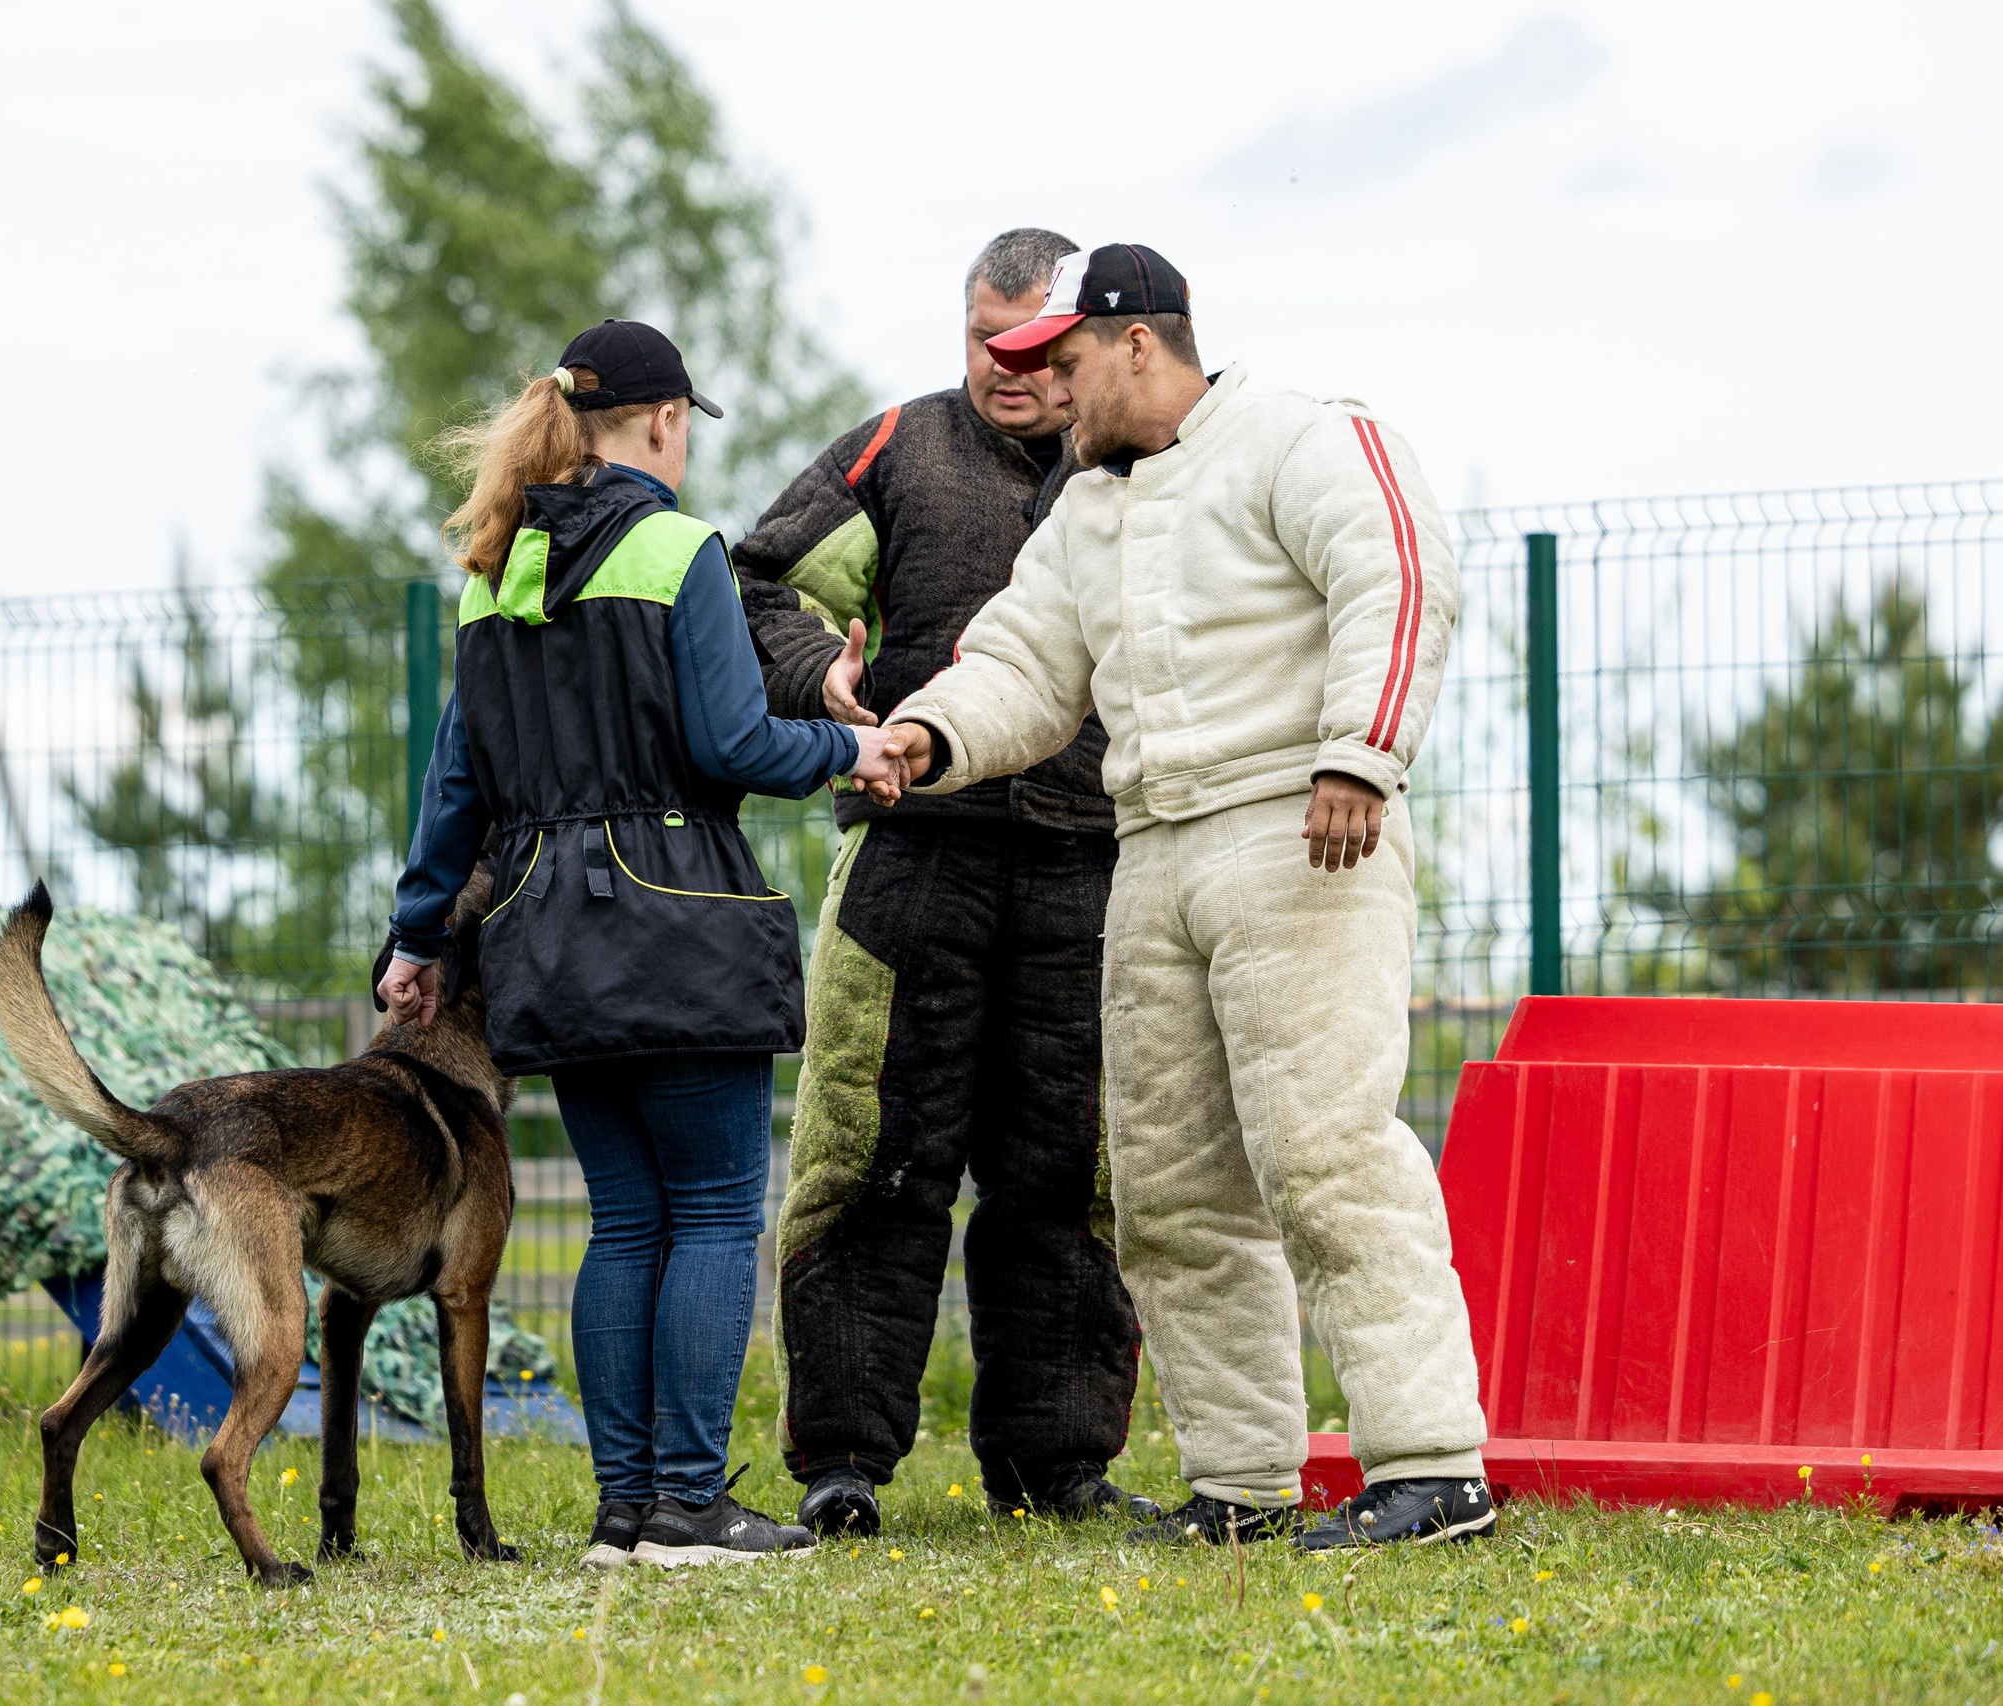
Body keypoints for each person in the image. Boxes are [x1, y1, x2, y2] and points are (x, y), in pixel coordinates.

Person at [870, 245, 1495, 1551]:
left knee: (1326, 1152)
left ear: (1137, 343)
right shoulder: (1084, 514)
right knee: (1171, 1187)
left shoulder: (1302, 438)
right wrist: (926, 734)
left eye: (1061, 361)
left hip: (1304, 825)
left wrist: (1358, 754)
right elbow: (1027, 668)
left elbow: (1398, 573)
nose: (1037, 383)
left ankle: (1433, 1461)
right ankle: (1243, 1480)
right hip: (1150, 849)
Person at [376, 317, 904, 1569]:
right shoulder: (679, 549)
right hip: (676, 919)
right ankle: (686, 1500)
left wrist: (415, 933)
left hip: (539, 935)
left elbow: (458, 780)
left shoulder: (494, 566)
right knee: (717, 1211)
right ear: (666, 422)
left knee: (624, 1221)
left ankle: (624, 1508)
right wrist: (853, 746)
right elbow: (733, 744)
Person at [732, 230, 1155, 1537]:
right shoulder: (895, 453)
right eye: (982, 335)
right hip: (913, 864)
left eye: (1031, 343)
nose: (1004, 366)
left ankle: (1060, 1464)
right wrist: (825, 680)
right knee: (871, 1168)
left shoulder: (1138, 470)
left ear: (1079, 340)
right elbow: (757, 588)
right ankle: (842, 1462)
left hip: (1092, 867)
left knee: (1071, 1181)